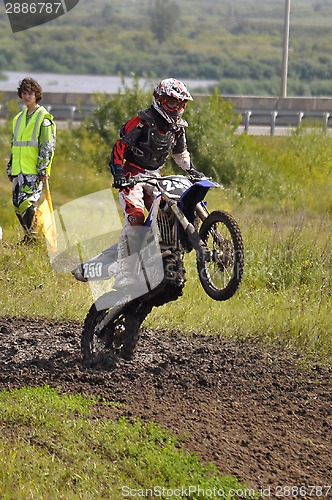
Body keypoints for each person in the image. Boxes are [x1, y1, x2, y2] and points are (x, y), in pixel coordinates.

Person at [109, 77, 204, 287]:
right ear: (160, 100)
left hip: (155, 176)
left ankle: (164, 261)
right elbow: (119, 148)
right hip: (132, 174)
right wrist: (118, 173)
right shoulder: (142, 121)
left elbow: (180, 154)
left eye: (181, 104)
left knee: (167, 215)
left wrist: (192, 170)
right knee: (136, 216)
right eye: (172, 103)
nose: (177, 108)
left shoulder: (177, 127)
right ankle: (124, 272)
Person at [6, 77, 56, 244]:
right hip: (19, 169)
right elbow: (15, 145)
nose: (27, 96)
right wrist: (10, 166)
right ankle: (28, 236)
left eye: (31, 93)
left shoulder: (44, 118)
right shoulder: (18, 118)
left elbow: (47, 145)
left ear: (37, 95)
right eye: (24, 93)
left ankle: (33, 238)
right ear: (21, 95)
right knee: (16, 204)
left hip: (34, 170)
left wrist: (43, 168)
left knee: (27, 203)